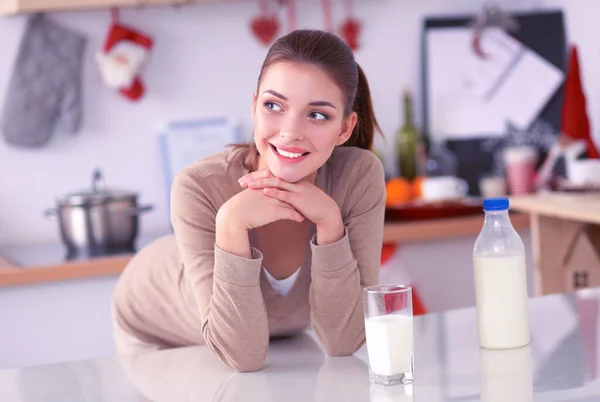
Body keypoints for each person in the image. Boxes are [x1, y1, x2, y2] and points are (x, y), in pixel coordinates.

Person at [112, 29, 386, 372]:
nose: (290, 131)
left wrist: (331, 223)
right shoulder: (197, 187)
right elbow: (242, 356)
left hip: (275, 333)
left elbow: (344, 341)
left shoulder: (358, 178)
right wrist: (229, 225)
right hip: (159, 330)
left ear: (345, 129)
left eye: (317, 114)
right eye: (274, 105)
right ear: (254, 105)